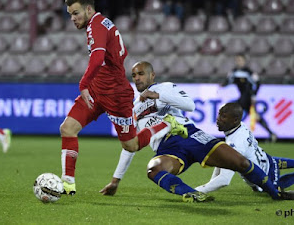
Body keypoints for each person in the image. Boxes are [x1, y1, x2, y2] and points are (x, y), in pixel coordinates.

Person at [100, 61, 293, 202]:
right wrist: (115, 180)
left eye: (141, 73)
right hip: (168, 149)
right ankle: (192, 193)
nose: (137, 78)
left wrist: (158, 95)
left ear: (152, 75)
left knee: (241, 163)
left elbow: (190, 105)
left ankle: (276, 193)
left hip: (191, 135)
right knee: (154, 169)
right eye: (134, 75)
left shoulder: (165, 88)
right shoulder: (134, 109)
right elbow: (129, 146)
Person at [61, 0, 185, 195]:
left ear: (89, 9)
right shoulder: (101, 23)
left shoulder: (96, 26)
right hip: (97, 89)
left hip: (116, 95)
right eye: (70, 14)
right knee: (67, 128)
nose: (72, 18)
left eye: (75, 13)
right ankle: (67, 184)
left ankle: (166, 123)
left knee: (131, 145)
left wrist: (83, 83)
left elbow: (98, 57)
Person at [196, 102, 294, 194]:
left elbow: (224, 180)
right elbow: (224, 160)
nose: (218, 119)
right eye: (219, 114)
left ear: (235, 120)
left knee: (273, 191)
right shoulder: (241, 126)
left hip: (266, 177)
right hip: (268, 160)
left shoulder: (236, 143)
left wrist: (196, 191)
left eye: (223, 117)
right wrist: (211, 182)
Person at [222, 54, 277, 143]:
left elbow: (258, 83)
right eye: (237, 60)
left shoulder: (248, 72)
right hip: (242, 98)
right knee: (254, 117)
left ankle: (234, 136)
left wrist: (254, 95)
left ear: (244, 61)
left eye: (240, 60)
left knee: (236, 114)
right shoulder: (234, 72)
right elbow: (229, 81)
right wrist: (223, 85)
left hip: (248, 98)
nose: (239, 62)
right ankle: (271, 134)